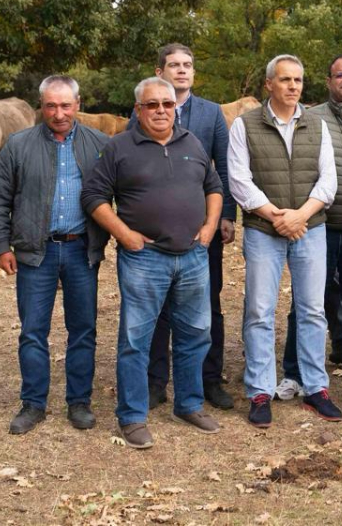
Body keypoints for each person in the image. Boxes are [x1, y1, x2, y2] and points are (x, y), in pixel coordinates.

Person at [82, 77, 223, 449]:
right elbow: (93, 196)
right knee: (136, 341)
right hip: (145, 259)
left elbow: (214, 187)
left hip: (193, 257)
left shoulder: (191, 141)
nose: (161, 110)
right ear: (138, 110)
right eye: (152, 105)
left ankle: (189, 404)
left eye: (167, 103)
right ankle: (132, 416)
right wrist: (124, 235)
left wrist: (209, 227)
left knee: (196, 335)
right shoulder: (119, 148)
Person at [0, 76, 109, 435]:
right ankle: (33, 403)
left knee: (83, 329)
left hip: (81, 249)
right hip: (34, 253)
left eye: (66, 105)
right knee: (33, 331)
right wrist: (2, 245)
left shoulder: (99, 144)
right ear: (40, 105)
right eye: (51, 106)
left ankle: (79, 402)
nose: (59, 113)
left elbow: (122, 193)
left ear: (77, 103)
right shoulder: (18, 144)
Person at [227, 54, 341, 428]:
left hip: (310, 227)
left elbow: (328, 181)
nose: (293, 87)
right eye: (285, 80)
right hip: (264, 230)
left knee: (312, 310)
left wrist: (300, 216)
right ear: (268, 85)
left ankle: (315, 388)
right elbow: (240, 182)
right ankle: (260, 391)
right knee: (260, 311)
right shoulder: (245, 126)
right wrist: (277, 215)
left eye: (298, 81)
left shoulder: (317, 124)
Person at [274, 54, 342, 405]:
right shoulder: (309, 117)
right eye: (340, 75)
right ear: (329, 80)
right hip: (317, 225)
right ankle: (294, 373)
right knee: (306, 304)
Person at [136, 44, 237, 412]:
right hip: (156, 233)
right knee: (158, 307)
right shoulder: (144, 111)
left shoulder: (211, 114)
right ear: (159, 71)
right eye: (174, 65)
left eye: (188, 65)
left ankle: (209, 379)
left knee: (207, 306)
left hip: (202, 230)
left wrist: (226, 216)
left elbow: (224, 167)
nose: (182, 71)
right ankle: (155, 381)